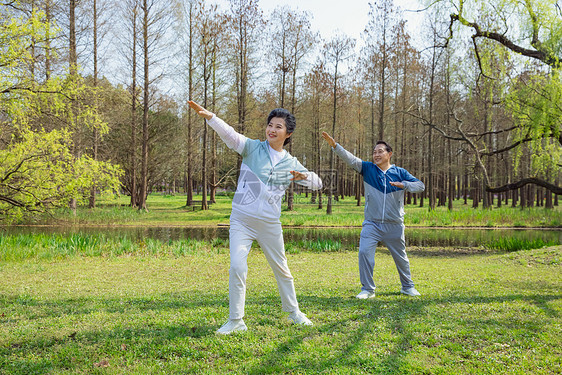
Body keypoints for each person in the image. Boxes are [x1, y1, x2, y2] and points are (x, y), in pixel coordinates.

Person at [189, 101, 322, 334]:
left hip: (270, 224)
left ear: (288, 133)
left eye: (278, 127)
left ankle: (294, 312)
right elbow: (230, 135)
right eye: (270, 125)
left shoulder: (291, 163)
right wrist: (211, 117)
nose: (272, 129)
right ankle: (236, 320)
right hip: (242, 220)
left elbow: (318, 183)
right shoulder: (252, 148)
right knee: (237, 267)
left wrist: (304, 176)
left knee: (282, 269)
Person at [322, 132, 424, 299]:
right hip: (372, 223)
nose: (376, 154)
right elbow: (351, 159)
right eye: (374, 152)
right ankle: (368, 289)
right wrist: (335, 146)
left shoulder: (400, 172)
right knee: (364, 252)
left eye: (380, 151)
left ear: (389, 154)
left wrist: (404, 185)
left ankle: (407, 287)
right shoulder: (368, 169)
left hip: (394, 224)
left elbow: (420, 186)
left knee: (401, 258)